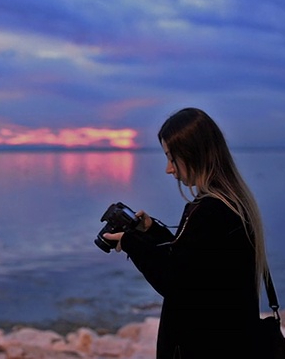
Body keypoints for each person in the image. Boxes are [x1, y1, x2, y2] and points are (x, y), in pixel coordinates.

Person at [103, 107, 268, 358]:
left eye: (171, 158)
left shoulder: (212, 210)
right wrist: (152, 231)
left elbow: (176, 284)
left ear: (193, 154)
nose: (169, 169)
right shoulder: (230, 202)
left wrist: (131, 243)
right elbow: (196, 267)